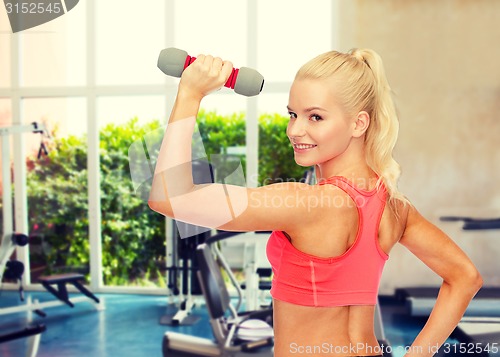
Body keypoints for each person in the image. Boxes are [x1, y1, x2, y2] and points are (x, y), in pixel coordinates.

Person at [148, 48, 483, 357]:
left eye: (315, 117)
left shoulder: (306, 204)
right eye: (293, 114)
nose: (295, 130)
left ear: (359, 123)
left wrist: (190, 94)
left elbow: (169, 197)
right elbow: (465, 277)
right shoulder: (394, 205)